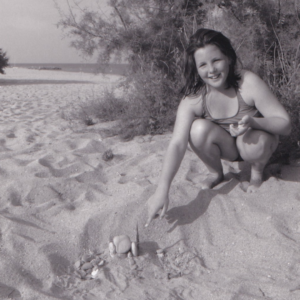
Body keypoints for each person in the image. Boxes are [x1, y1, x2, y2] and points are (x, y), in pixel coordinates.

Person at [145, 28, 291, 227]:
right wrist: (162, 190)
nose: (211, 70)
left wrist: (254, 122)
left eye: (216, 60)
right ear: (196, 69)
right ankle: (216, 173)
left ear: (229, 58)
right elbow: (177, 144)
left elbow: (285, 125)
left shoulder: (247, 82)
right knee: (196, 130)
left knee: (251, 142)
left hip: (257, 143)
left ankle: (257, 174)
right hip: (229, 148)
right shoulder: (194, 99)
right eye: (203, 65)